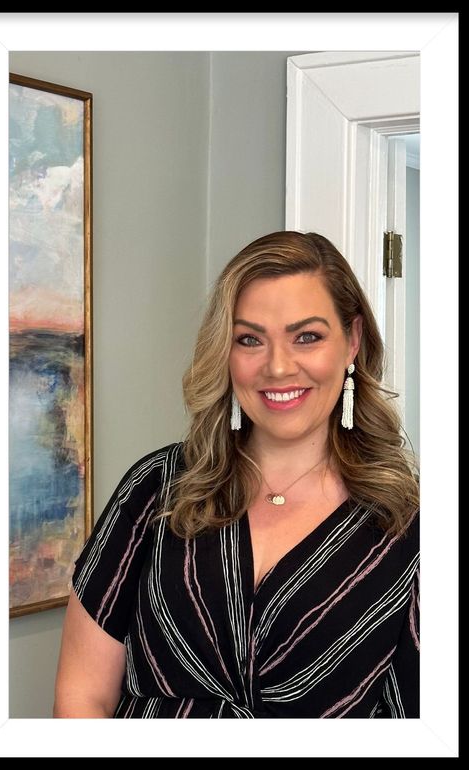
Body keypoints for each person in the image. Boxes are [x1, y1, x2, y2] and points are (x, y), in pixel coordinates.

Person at [54, 231, 419, 719]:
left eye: (306, 336)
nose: (278, 366)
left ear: (351, 341)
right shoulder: (155, 488)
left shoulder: (405, 526)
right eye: (250, 340)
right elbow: (82, 695)